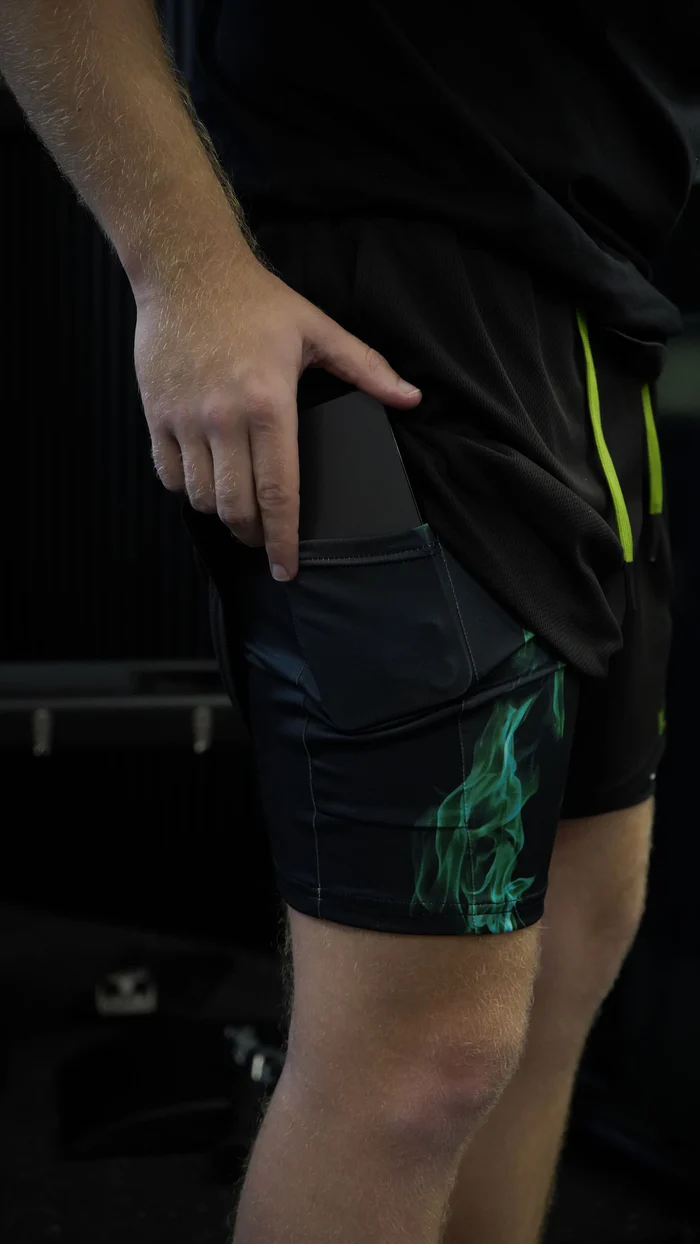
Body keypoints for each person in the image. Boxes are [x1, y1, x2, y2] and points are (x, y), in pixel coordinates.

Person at [1, 3, 697, 1241]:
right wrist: (185, 269)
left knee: (573, 952)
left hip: (602, 323)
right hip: (387, 338)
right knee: (422, 1057)